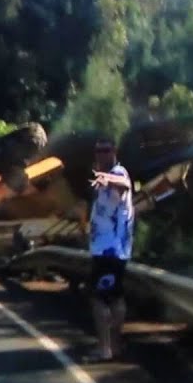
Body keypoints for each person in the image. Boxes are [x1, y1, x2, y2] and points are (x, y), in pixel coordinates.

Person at [84, 137, 134, 363]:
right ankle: (114, 345)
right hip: (109, 250)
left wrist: (104, 177)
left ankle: (104, 349)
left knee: (98, 299)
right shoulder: (106, 179)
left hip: (110, 251)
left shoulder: (119, 172)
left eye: (105, 150)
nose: (101, 154)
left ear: (114, 151)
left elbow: (124, 185)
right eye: (97, 151)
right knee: (116, 299)